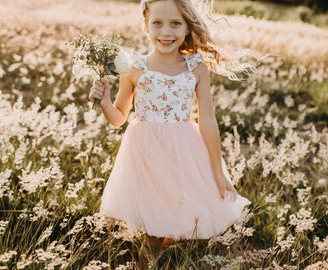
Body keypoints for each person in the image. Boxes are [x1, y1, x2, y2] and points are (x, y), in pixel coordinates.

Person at [89, 0, 251, 265]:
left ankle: (165, 253)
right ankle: (147, 261)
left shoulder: (196, 67)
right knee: (154, 224)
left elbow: (208, 121)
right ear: (146, 26)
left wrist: (218, 172)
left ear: (187, 28)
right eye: (157, 23)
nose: (166, 32)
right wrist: (106, 102)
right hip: (145, 151)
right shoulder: (133, 67)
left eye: (175, 23)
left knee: (188, 218)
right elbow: (119, 118)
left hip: (184, 148)